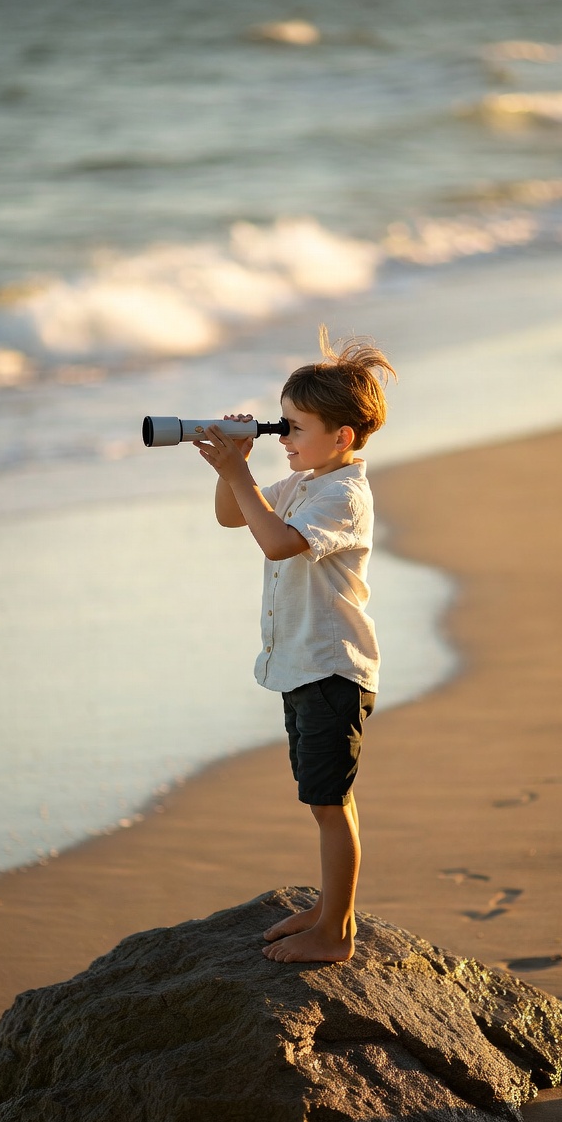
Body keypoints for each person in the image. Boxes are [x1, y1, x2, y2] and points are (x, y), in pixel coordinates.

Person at [194, 326, 395, 963]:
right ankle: (332, 909)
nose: (283, 437)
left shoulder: (344, 495)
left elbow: (279, 543)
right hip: (305, 667)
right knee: (324, 801)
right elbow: (234, 515)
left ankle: (336, 933)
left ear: (342, 436)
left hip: (333, 668)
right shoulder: (307, 482)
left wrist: (238, 470)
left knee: (330, 804)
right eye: (281, 424)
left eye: (295, 428)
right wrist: (235, 468)